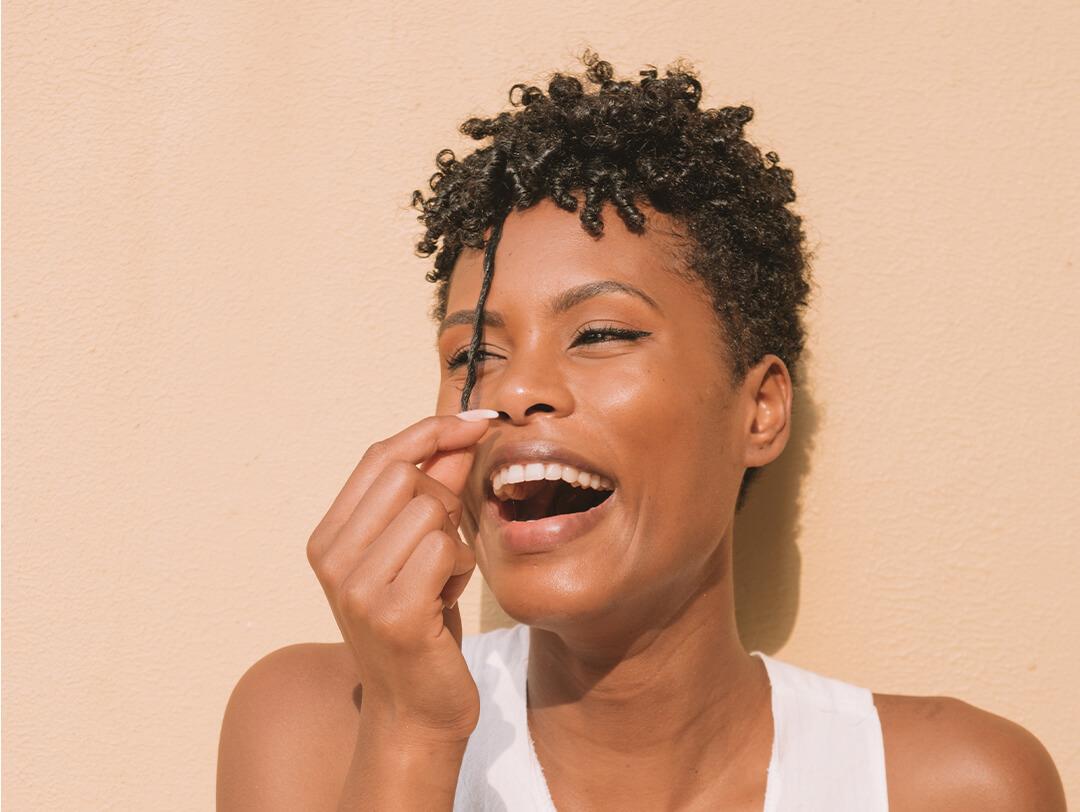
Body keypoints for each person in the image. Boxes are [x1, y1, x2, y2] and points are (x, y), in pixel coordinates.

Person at [216, 53, 1066, 810]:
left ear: (760, 410)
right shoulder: (323, 725)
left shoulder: (950, 787)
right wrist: (412, 735)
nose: (518, 388)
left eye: (599, 333)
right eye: (475, 353)